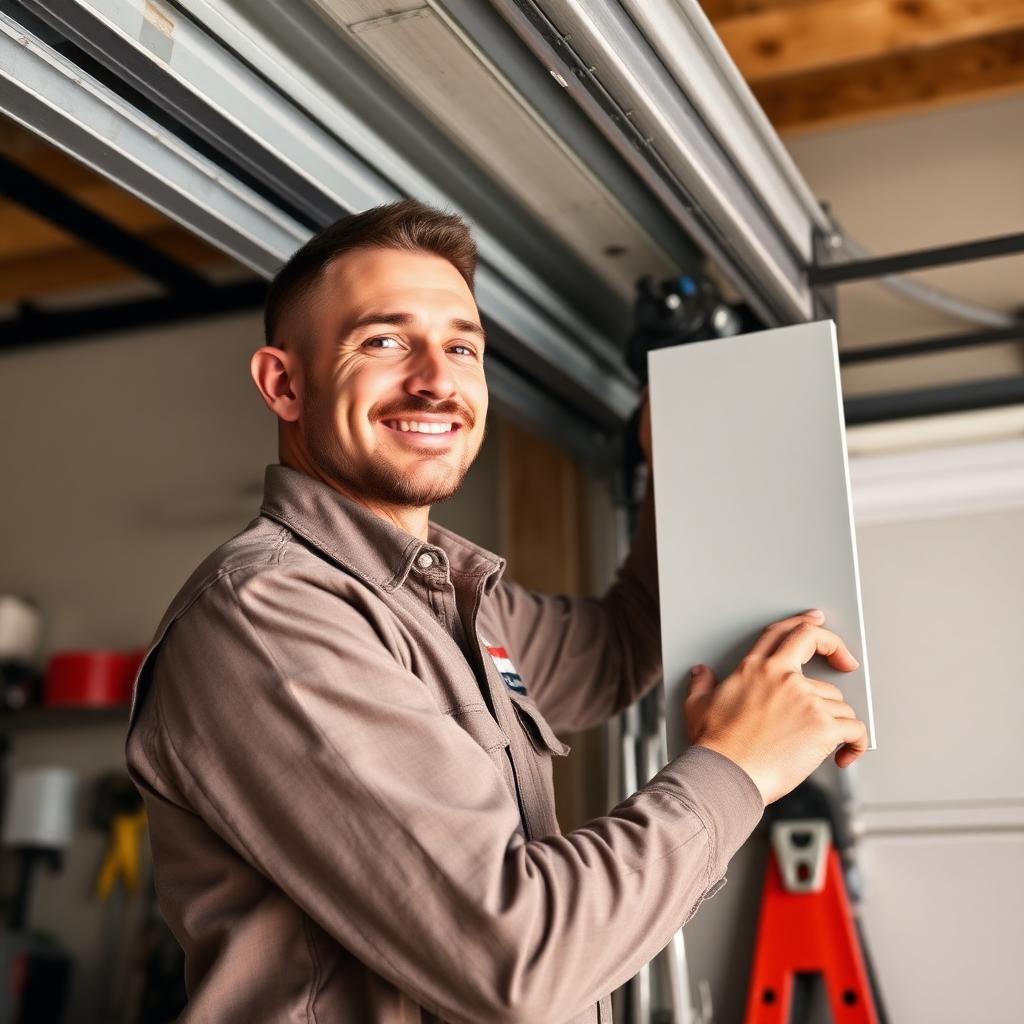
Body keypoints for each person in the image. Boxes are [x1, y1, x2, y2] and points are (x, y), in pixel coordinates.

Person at [125, 199, 868, 1024]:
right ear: (285, 383)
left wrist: (679, 456)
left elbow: (620, 648)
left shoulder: (452, 599)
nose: (437, 380)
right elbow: (520, 960)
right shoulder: (268, 614)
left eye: (462, 347)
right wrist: (738, 769)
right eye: (384, 341)